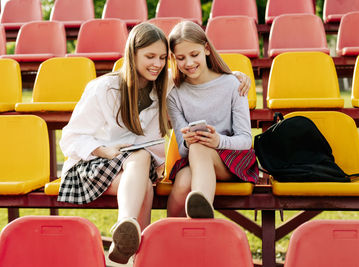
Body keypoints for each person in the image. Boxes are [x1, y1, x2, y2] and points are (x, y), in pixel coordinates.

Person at [57, 22, 250, 264]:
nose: (157, 64)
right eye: (149, 56)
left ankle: (132, 239)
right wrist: (102, 150)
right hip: (94, 164)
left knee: (143, 176)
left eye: (161, 57)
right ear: (132, 54)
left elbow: (200, 73)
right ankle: (129, 231)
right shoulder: (103, 88)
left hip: (136, 170)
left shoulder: (163, 83)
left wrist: (236, 76)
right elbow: (71, 137)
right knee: (141, 166)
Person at [166, 21, 259, 219]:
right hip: (195, 160)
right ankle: (174, 235)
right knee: (182, 183)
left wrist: (218, 141)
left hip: (232, 159)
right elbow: (183, 149)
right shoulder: (174, 95)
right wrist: (188, 141)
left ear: (206, 49)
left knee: (200, 147)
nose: (189, 64)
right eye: (181, 58)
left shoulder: (234, 85)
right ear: (174, 58)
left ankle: (202, 207)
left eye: (194, 55)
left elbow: (245, 140)